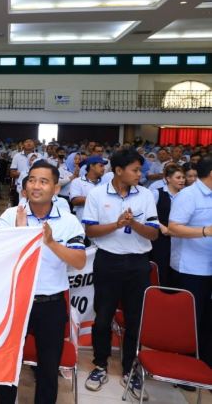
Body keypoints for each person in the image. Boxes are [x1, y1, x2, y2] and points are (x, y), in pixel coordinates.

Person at [0, 160, 86, 404]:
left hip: (51, 303)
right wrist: (21, 232)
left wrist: (52, 243)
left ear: (56, 189)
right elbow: (2, 260)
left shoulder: (68, 221)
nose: (36, 186)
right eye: (32, 180)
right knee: (8, 362)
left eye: (44, 181)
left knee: (48, 368)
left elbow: (78, 261)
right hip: (16, 301)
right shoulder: (10, 215)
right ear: (24, 186)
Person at [83, 149, 159, 401]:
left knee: (134, 320)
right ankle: (100, 365)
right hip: (108, 261)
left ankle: (130, 369)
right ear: (118, 171)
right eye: (135, 170)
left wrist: (133, 224)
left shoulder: (146, 195)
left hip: (138, 264)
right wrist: (116, 224)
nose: (140, 174)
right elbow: (91, 231)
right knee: (102, 317)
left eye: (140, 170)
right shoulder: (97, 194)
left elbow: (153, 233)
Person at [168, 155, 212, 367]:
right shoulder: (188, 195)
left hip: (209, 265)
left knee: (208, 321)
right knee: (190, 321)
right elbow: (174, 227)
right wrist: (205, 231)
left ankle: (205, 364)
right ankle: (185, 367)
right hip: (191, 268)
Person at [150, 164, 186, 286]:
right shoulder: (157, 193)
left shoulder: (186, 195)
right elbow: (148, 214)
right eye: (178, 177)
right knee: (161, 269)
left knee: (176, 271)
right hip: (161, 239)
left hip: (180, 238)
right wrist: (161, 226)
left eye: (183, 177)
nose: (182, 180)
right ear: (168, 179)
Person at [69, 156, 106, 223]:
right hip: (82, 223)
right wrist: (99, 198)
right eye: (101, 166)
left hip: (102, 224)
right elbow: (75, 200)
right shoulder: (77, 182)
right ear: (91, 166)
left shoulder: (106, 183)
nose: (104, 168)